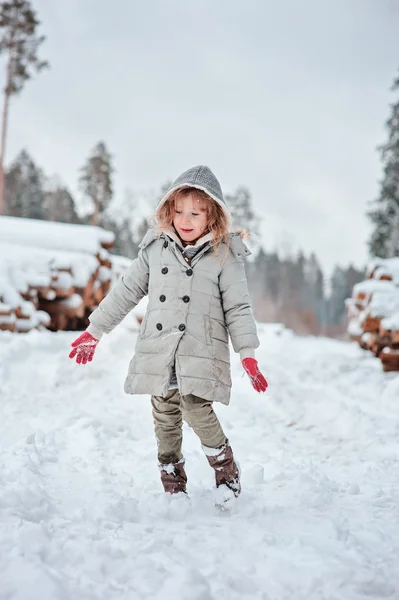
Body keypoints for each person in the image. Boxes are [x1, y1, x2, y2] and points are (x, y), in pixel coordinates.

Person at [69, 165, 268, 502]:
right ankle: (173, 485)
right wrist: (96, 329)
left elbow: (238, 307)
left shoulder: (224, 255)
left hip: (199, 349)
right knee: (164, 417)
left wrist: (247, 352)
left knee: (195, 408)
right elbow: (126, 290)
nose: (185, 219)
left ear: (212, 216)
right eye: (178, 211)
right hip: (160, 350)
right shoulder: (155, 250)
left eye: (195, 212)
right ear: (168, 211)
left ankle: (225, 470)